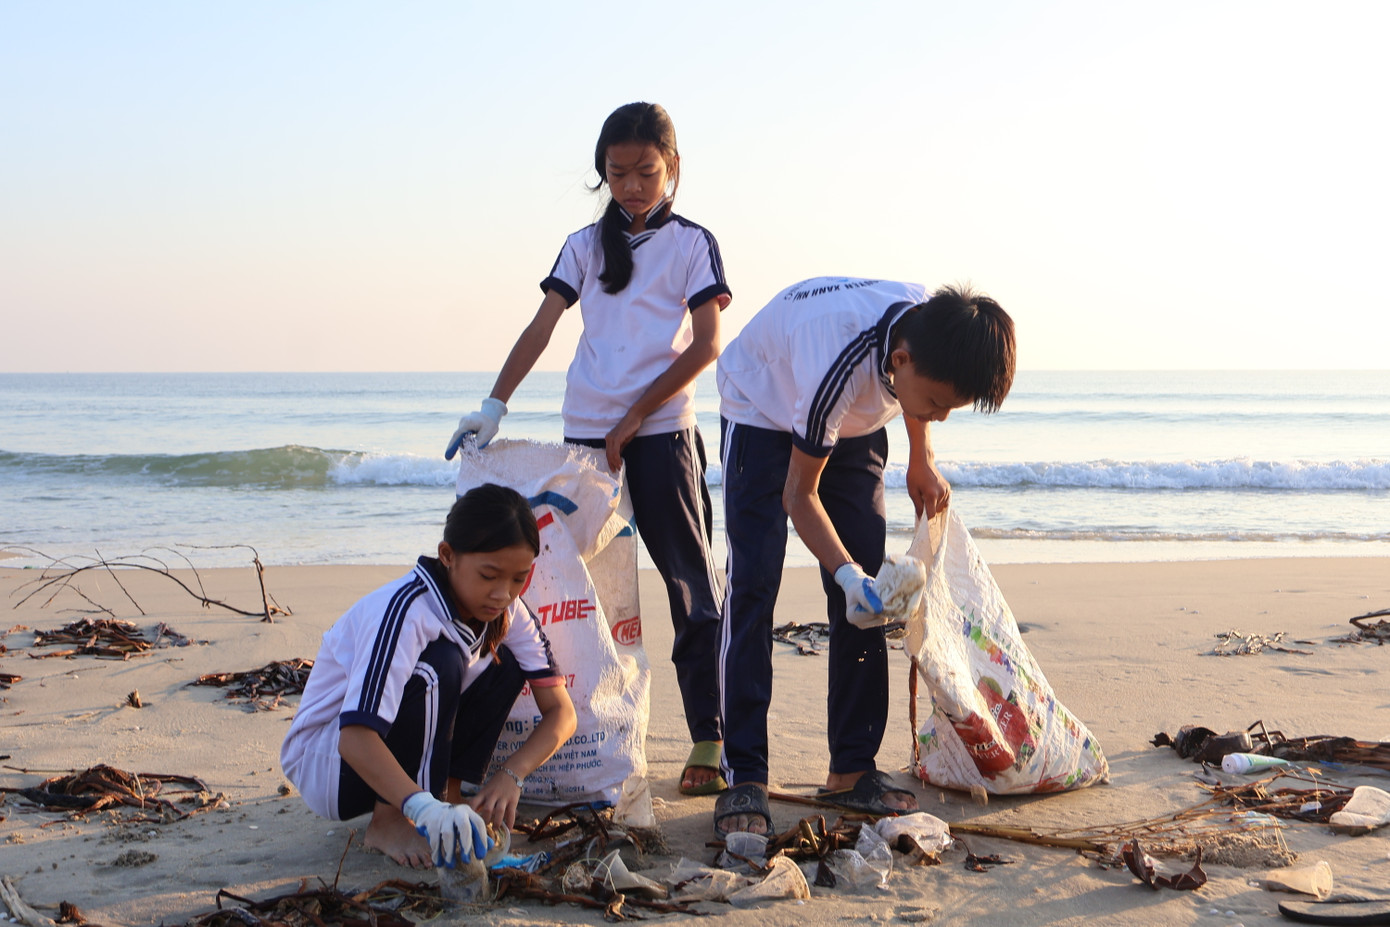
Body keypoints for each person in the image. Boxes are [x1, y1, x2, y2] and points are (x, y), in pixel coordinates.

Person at [446, 102, 732, 796]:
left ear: (672, 168)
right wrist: (494, 405)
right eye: (617, 173)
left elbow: (707, 344)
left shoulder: (694, 243)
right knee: (560, 590)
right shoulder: (582, 243)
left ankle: (709, 739)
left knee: (688, 583)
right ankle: (560, 739)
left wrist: (635, 415)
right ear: (602, 174)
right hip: (584, 442)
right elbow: (543, 327)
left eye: (646, 172)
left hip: (661, 434)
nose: (632, 185)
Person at [712, 277, 1016, 837]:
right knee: (754, 583)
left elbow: (919, 388)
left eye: (952, 408)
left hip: (852, 419)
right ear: (900, 362)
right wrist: (845, 572)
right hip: (763, 403)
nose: (939, 415)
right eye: (935, 406)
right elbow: (796, 496)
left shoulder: (927, 328)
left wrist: (921, 457)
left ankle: (851, 769)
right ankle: (744, 775)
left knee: (869, 602)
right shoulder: (837, 361)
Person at [280, 483, 577, 869]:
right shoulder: (407, 611)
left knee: (506, 657)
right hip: (330, 764)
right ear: (447, 555)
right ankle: (391, 819)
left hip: (378, 756)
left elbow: (562, 713)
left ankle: (447, 797)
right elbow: (353, 738)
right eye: (489, 575)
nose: (503, 594)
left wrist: (511, 774)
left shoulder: (508, 612)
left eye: (518, 579)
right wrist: (422, 808)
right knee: (442, 663)